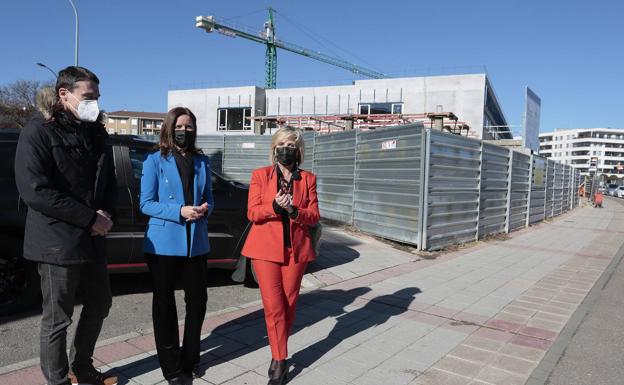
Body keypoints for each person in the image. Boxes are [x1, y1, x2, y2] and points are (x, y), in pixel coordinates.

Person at [14, 66, 118, 385]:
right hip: (56, 242)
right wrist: (90, 217)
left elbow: (108, 181)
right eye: (88, 96)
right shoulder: (39, 130)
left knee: (100, 304)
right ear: (64, 94)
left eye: (97, 97)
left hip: (92, 240)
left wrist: (105, 214)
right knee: (58, 318)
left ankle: (82, 367)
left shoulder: (96, 132)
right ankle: (57, 380)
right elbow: (36, 191)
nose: (95, 103)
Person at [140, 107, 214, 385]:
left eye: (190, 126)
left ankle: (191, 358)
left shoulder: (202, 161)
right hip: (162, 245)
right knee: (164, 305)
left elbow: (210, 196)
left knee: (198, 302)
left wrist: (207, 208)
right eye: (180, 126)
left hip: (196, 243)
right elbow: (146, 204)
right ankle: (171, 367)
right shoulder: (154, 160)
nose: (185, 131)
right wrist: (179, 211)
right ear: (170, 128)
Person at [241, 127, 320, 385]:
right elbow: (252, 212)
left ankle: (279, 354)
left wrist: (295, 211)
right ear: (274, 148)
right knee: (274, 307)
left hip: (295, 251)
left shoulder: (307, 179)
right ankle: (280, 360)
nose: (286, 148)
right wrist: (274, 207)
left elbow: (314, 215)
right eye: (282, 144)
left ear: (298, 151)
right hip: (265, 250)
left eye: (291, 144)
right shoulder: (260, 176)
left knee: (289, 304)